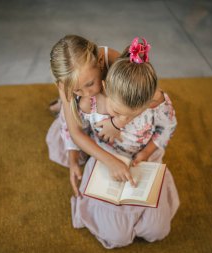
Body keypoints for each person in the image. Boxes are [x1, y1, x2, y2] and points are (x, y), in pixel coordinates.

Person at [59, 37, 180, 248]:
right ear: (106, 88)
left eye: (132, 115)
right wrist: (76, 156)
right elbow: (78, 130)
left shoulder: (153, 100)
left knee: (157, 230)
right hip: (107, 152)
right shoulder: (90, 104)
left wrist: (146, 153)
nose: (124, 119)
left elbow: (167, 127)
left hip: (145, 156)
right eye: (118, 113)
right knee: (116, 237)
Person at [45, 35, 135, 194]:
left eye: (90, 84)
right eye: (78, 90)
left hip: (110, 106)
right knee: (64, 146)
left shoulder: (113, 60)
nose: (88, 93)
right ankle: (65, 103)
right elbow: (74, 132)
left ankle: (66, 104)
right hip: (86, 112)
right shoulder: (64, 82)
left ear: (100, 62)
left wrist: (117, 123)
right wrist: (110, 162)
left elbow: (148, 97)